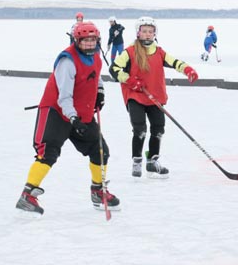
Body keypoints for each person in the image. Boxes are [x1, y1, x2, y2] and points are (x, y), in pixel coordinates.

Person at [16, 21, 120, 216]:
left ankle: (98, 191)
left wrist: (99, 92)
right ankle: (27, 195)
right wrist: (73, 119)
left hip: (82, 113)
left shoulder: (96, 56)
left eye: (93, 40)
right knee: (48, 153)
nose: (90, 44)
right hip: (57, 111)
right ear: (76, 41)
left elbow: (96, 76)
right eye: (85, 41)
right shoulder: (68, 61)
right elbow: (64, 96)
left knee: (100, 150)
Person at [109, 16, 199, 178]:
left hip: (155, 97)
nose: (148, 34)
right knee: (140, 129)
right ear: (138, 33)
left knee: (158, 129)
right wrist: (129, 80)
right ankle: (136, 160)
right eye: (144, 31)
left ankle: (152, 162)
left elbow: (175, 62)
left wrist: (188, 70)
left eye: (151, 31)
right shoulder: (129, 52)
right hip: (136, 96)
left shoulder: (159, 51)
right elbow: (114, 69)